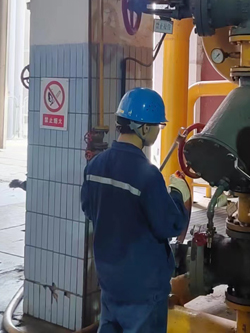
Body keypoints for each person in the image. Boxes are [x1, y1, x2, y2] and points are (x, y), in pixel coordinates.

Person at [81, 88, 191, 333]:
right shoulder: (148, 175)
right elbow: (170, 226)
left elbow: (89, 209)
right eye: (158, 126)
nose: (158, 130)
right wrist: (177, 194)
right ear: (143, 128)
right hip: (143, 288)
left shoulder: (95, 165)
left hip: (109, 280)